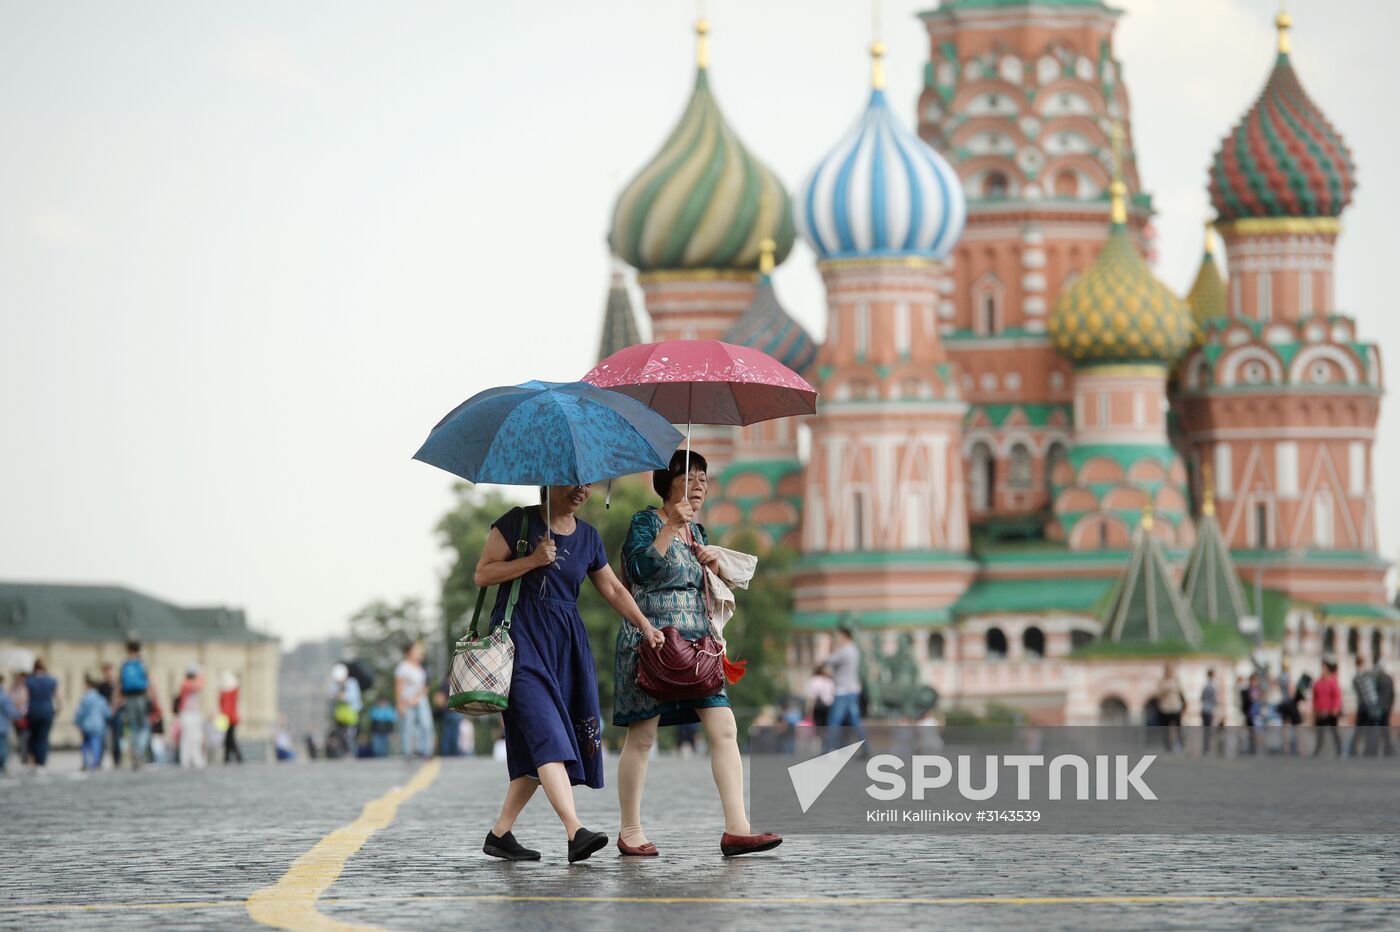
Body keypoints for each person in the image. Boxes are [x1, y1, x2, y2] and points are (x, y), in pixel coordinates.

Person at [613, 451, 783, 860]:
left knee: (724, 728)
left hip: (699, 644)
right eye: (691, 477)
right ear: (668, 481)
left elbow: (700, 585)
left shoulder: (698, 532)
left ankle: (737, 829)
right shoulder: (647, 521)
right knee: (643, 735)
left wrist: (712, 561)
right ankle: (630, 829)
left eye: (704, 479)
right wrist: (670, 527)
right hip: (652, 639)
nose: (700, 485)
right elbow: (639, 570)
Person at [477, 483, 659, 864]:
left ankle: (500, 834)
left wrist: (645, 625)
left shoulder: (589, 536)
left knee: (538, 744)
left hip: (566, 646)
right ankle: (575, 830)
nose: (582, 490)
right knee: (547, 732)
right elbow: (483, 573)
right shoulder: (518, 523)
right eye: (573, 481)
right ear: (549, 480)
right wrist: (532, 561)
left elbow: (611, 587)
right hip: (521, 640)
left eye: (587, 483)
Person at [824, 625, 867, 754]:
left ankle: (827, 749)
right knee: (855, 722)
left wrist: (829, 644)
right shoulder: (853, 650)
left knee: (833, 722)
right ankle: (866, 748)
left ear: (844, 636)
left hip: (843, 692)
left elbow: (827, 661)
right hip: (852, 691)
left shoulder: (845, 651)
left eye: (838, 636)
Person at [117, 641, 153, 770]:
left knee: (132, 727)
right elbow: (149, 682)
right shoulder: (142, 663)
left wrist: (116, 701)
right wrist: (153, 698)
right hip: (141, 697)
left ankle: (134, 753)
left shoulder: (125, 664)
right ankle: (139, 751)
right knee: (144, 726)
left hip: (128, 698)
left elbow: (119, 683)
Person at [395, 641, 433, 760]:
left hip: (421, 701)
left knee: (426, 725)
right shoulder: (403, 667)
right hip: (407, 701)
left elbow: (425, 685)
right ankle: (408, 752)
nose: (419, 653)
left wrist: (422, 693)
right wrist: (400, 704)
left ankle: (425, 750)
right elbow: (399, 687)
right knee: (408, 727)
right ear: (409, 652)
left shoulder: (421, 668)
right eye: (417, 650)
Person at [24, 659, 59, 770]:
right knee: (43, 738)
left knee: (33, 737)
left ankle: (33, 760)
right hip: (47, 710)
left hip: (33, 710)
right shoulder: (51, 680)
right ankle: (41, 762)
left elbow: (25, 698)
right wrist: (57, 710)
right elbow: (58, 697)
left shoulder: (29, 680)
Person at [75, 675, 111, 771]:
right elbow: (107, 713)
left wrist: (77, 722)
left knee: (86, 744)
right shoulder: (101, 699)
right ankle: (95, 763)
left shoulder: (85, 698)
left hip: (86, 724)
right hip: (98, 725)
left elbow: (80, 712)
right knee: (96, 744)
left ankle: (85, 762)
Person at [1349, 655, 1383, 758]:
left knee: (1363, 730)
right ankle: (1364, 750)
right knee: (1369, 730)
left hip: (1366, 706)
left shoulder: (1361, 677)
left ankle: (1365, 750)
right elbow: (1376, 672)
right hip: (1368, 706)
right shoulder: (1361, 677)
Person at [328, 663, 363, 758]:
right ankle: (344, 752)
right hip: (340, 715)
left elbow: (355, 697)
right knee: (341, 734)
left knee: (350, 735)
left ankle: (351, 752)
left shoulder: (352, 683)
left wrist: (343, 696)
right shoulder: (334, 685)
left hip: (352, 715)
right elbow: (330, 695)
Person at [1312, 659, 1343, 757]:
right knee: (1320, 733)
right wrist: (1315, 710)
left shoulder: (1333, 681)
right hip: (1320, 712)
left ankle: (1339, 750)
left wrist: (1335, 708)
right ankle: (1318, 749)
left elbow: (1337, 695)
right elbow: (1315, 697)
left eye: (1324, 667)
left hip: (1330, 712)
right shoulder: (1318, 682)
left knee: (1334, 732)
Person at [177, 666, 206, 768]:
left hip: (195, 713)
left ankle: (197, 759)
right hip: (187, 714)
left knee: (197, 737)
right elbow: (197, 686)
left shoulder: (191, 683)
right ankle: (185, 760)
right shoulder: (185, 684)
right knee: (187, 737)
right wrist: (201, 674)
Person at [1155, 664, 1185, 752]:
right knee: (1166, 729)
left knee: (1178, 727)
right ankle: (1167, 746)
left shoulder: (1176, 680)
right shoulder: (1161, 681)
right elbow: (1158, 694)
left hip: (1176, 707)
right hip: (1165, 708)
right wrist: (1166, 689)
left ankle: (1180, 744)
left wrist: (1184, 704)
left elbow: (1181, 692)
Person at [219, 672, 243, 764]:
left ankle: (234, 758)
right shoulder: (234, 692)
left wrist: (224, 717)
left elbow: (225, 707)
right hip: (231, 718)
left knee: (230, 739)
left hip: (229, 719)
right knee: (229, 739)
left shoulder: (228, 693)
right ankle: (228, 758)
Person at [1375, 661, 1395, 757]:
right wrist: (1390, 706)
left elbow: (1375, 694)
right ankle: (1388, 748)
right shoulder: (1389, 678)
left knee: (1376, 728)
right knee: (1385, 729)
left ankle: (1375, 748)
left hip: (1379, 708)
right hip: (1387, 707)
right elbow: (1392, 694)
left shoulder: (1377, 679)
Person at [0, 673, 17, 774]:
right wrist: (19, 714)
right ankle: (2, 765)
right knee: (2, 747)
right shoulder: (3, 696)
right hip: (2, 726)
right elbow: (10, 711)